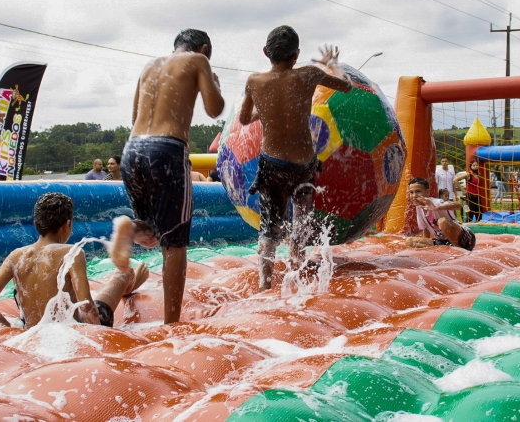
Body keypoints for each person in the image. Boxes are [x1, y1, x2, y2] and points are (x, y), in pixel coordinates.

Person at [116, 28, 225, 324]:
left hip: (132, 149)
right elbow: (215, 109)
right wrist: (212, 80)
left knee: (151, 230)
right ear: (202, 49)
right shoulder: (198, 61)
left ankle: (131, 226)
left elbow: (134, 116)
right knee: (174, 244)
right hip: (167, 149)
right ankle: (172, 324)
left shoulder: (149, 65)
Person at [237, 26, 352, 291]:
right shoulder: (309, 74)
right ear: (297, 54)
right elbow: (345, 86)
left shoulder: (254, 81)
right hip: (303, 165)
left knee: (268, 229)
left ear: (266, 52)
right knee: (301, 219)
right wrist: (332, 64)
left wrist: (264, 112)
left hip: (272, 163)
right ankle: (295, 273)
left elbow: (244, 119)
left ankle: (264, 287)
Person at [0, 193, 148, 329]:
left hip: (31, 331)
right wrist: (98, 335)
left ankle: (129, 283)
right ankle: (129, 282)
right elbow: (87, 306)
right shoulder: (71, 252)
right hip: (70, 332)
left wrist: (7, 329)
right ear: (67, 224)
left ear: (37, 223)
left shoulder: (16, 256)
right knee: (122, 274)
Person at [405, 177, 476, 250]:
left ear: (427, 192)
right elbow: (425, 228)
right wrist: (425, 248)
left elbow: (458, 205)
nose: (414, 195)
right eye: (411, 192)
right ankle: (444, 248)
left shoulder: (436, 202)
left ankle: (459, 250)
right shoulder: (419, 208)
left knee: (442, 222)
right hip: (444, 241)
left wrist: (437, 208)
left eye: (418, 191)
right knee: (409, 241)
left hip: (465, 238)